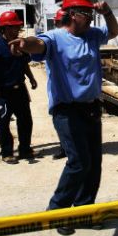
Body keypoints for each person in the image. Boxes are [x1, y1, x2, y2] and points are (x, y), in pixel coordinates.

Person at [10, 0, 118, 235]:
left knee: (93, 164)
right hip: (66, 110)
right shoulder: (56, 37)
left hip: (91, 108)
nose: (91, 17)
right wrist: (24, 43)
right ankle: (57, 211)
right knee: (78, 162)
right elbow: (38, 43)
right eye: (86, 12)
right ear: (72, 14)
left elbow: (113, 32)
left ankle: (83, 211)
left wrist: (108, 12)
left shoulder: (92, 35)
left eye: (92, 12)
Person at [0, 10, 39, 164]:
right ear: (4, 29)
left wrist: (32, 79)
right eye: (10, 27)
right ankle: (7, 152)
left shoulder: (21, 44)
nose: (14, 30)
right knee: (4, 122)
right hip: (3, 92)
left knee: (25, 120)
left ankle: (25, 149)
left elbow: (24, 64)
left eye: (16, 27)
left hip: (19, 89)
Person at [51, 8, 67, 160]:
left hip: (62, 87)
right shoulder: (53, 37)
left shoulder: (57, 37)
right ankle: (65, 147)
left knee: (61, 119)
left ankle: (67, 148)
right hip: (58, 85)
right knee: (61, 119)